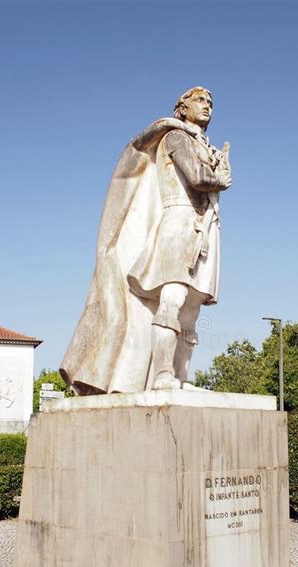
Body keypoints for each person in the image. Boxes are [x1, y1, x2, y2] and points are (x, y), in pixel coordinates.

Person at [60, 87, 231, 395]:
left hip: (205, 228)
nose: (207, 107)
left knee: (191, 311)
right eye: (200, 101)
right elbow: (197, 177)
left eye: (210, 103)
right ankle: (163, 375)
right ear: (182, 108)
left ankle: (179, 377)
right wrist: (220, 179)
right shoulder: (176, 137)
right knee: (172, 300)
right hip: (179, 224)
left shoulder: (204, 145)